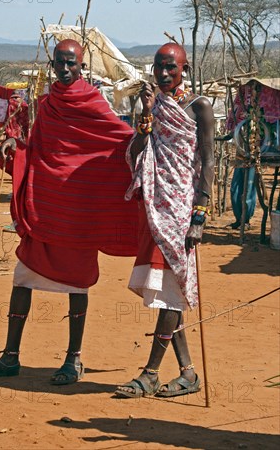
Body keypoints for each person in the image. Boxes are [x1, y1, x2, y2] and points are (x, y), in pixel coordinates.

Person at [0, 39, 138, 384]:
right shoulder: (45, 104)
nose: (64, 69)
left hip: (78, 210)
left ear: (81, 67)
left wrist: (149, 147)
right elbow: (39, 147)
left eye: (71, 64)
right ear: (52, 64)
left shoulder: (93, 101)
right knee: (22, 278)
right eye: (59, 63)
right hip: (45, 205)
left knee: (78, 285)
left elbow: (119, 140)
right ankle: (10, 356)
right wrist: (15, 148)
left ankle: (73, 360)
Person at [115, 43, 215, 399]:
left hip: (182, 208)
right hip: (156, 205)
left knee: (171, 291)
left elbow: (207, 161)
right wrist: (143, 122)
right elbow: (137, 154)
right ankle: (188, 373)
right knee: (169, 292)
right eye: (158, 67)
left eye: (170, 67)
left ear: (183, 69)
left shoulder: (199, 106)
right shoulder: (151, 105)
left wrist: (200, 215)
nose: (163, 73)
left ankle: (150, 372)